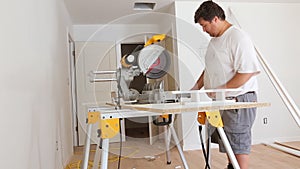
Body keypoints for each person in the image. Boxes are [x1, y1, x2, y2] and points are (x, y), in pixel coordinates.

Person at [192, 1, 260, 169]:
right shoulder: (215, 41)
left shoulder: (237, 37)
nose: (204, 30)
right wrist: (195, 88)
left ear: (215, 19)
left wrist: (220, 91)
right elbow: (208, 69)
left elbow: (247, 72)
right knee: (227, 140)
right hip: (223, 100)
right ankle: (232, 166)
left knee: (238, 140)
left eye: (205, 25)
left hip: (238, 100)